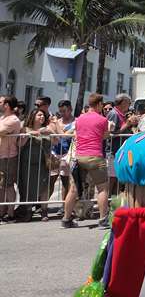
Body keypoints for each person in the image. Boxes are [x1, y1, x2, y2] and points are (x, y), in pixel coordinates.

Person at [63, 93, 112, 229]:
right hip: (95, 156)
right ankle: (103, 220)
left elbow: (77, 133)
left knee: (73, 189)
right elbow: (105, 136)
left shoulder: (79, 119)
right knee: (102, 189)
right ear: (99, 104)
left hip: (79, 156)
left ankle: (66, 219)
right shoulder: (103, 120)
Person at [17, 109, 53, 222]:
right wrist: (28, 134)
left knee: (44, 187)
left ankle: (44, 211)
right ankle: (28, 211)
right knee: (27, 188)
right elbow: (19, 144)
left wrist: (51, 133)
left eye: (43, 115)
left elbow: (56, 141)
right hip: (27, 164)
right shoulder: (25, 129)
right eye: (39, 115)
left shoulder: (47, 129)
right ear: (33, 116)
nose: (42, 117)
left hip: (43, 163)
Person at [106, 93, 137, 195]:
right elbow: (111, 133)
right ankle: (107, 202)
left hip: (119, 151)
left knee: (117, 179)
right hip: (113, 151)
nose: (130, 105)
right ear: (123, 102)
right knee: (112, 179)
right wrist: (127, 124)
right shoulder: (114, 114)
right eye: (129, 103)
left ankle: (113, 203)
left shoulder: (120, 114)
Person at [0, 96, 21, 222]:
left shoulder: (13, 120)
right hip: (1, 156)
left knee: (8, 185)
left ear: (7, 105)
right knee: (1, 186)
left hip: (8, 157)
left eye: (1, 102)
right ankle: (2, 211)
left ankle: (10, 213)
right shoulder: (3, 118)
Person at [49, 100, 75, 206]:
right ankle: (41, 205)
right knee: (51, 180)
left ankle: (64, 205)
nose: (62, 114)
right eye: (60, 111)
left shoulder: (75, 122)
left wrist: (56, 124)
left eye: (64, 111)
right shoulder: (57, 121)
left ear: (70, 109)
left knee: (66, 182)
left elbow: (63, 135)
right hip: (55, 153)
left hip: (67, 154)